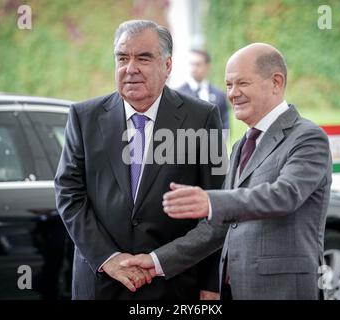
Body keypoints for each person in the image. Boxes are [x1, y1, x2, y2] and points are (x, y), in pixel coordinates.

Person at [122, 43, 332, 300]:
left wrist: (210, 201)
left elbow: (284, 195)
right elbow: (217, 228)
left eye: (242, 83)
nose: (233, 94)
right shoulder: (241, 145)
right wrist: (155, 262)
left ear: (276, 82)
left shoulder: (308, 137)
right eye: (229, 85)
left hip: (283, 290)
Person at [54, 19, 226, 300]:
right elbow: (69, 194)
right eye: (122, 58)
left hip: (174, 284)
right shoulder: (83, 117)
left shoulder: (203, 118)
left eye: (143, 58)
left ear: (167, 66)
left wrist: (212, 282)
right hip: (100, 283)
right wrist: (108, 259)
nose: (130, 68)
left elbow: (217, 206)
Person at [177, 49, 230, 131]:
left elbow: (225, 126)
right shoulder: (177, 95)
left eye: (198, 64)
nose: (194, 68)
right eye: (192, 64)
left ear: (207, 66)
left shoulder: (219, 95)